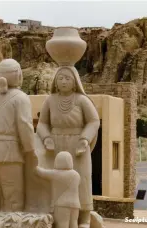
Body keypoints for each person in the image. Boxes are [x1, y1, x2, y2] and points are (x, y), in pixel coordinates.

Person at [36, 66, 100, 226]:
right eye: (60, 78)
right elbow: (42, 123)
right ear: (55, 82)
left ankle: (84, 217)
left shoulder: (81, 100)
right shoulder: (50, 100)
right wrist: (46, 138)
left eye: (67, 78)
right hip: (55, 144)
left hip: (78, 143)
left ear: (75, 82)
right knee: (55, 179)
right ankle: (55, 215)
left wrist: (85, 139)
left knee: (83, 179)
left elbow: (94, 121)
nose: (64, 81)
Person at [0, 59, 37, 212]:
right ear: (18, 75)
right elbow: (25, 126)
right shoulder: (21, 98)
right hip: (10, 152)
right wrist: (31, 150)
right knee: (12, 197)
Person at [36, 151, 80, 228]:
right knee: (74, 224)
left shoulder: (55, 174)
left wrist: (32, 163)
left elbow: (40, 172)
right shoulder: (76, 175)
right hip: (75, 205)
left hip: (61, 205)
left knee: (63, 224)